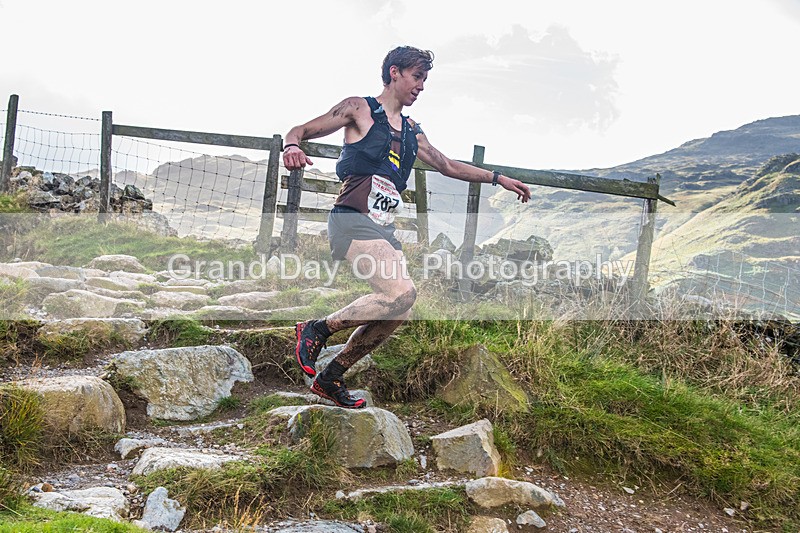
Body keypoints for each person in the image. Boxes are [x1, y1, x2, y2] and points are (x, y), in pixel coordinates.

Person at [283, 46, 531, 408]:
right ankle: (316, 329)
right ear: (395, 72)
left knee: (400, 308)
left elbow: (447, 165)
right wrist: (292, 145)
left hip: (382, 227)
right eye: (418, 77)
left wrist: (498, 178)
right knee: (401, 291)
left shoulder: (413, 131)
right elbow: (302, 128)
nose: (422, 86)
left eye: (426, 80)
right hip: (351, 218)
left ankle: (331, 376)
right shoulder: (359, 109)